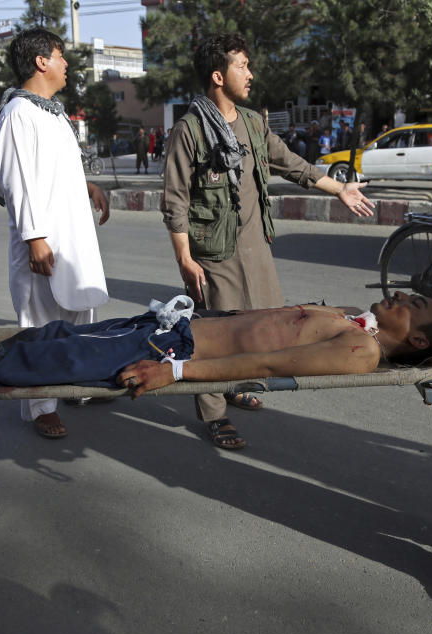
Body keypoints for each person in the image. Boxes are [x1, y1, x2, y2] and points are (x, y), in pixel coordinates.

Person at [161, 33, 375, 450]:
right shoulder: (189, 130)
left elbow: (294, 166)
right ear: (219, 76)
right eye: (243, 65)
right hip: (214, 251)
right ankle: (213, 413)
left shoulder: (254, 123)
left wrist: (340, 189)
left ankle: (236, 384)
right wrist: (185, 259)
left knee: (260, 324)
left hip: (256, 245)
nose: (251, 74)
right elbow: (174, 201)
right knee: (214, 333)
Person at [0, 292, 432, 402]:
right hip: (162, 328)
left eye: (414, 306)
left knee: (41, 362)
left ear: (418, 339)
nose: (401, 295)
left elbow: (264, 362)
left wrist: (176, 372)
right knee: (48, 337)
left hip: (168, 351)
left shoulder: (360, 352)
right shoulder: (359, 322)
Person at [0, 28, 111, 439]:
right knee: (41, 323)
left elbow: (58, 172)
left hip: (74, 237)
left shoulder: (52, 111)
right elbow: (18, 181)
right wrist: (34, 238)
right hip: (43, 240)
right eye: (60, 56)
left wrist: (87, 187)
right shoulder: (18, 114)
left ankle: (76, 385)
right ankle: (41, 405)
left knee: (79, 314)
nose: (65, 64)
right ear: (41, 61)